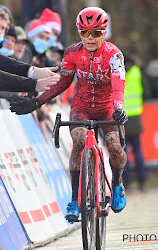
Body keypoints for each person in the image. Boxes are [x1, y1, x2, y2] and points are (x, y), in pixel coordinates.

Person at [10, 7, 129, 222]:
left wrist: (119, 108)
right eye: (84, 33)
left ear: (104, 33)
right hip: (81, 105)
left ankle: (118, 185)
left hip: (107, 106)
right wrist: (37, 101)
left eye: (96, 33)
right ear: (79, 32)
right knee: (79, 142)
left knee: (114, 146)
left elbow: (118, 84)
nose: (90, 38)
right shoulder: (73, 53)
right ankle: (74, 199)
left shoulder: (114, 55)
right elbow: (63, 82)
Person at [123, 56, 147, 191]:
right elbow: (146, 90)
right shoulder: (136, 71)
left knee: (124, 152)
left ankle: (127, 183)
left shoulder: (116, 70)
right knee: (138, 151)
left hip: (121, 117)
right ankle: (142, 181)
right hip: (136, 115)